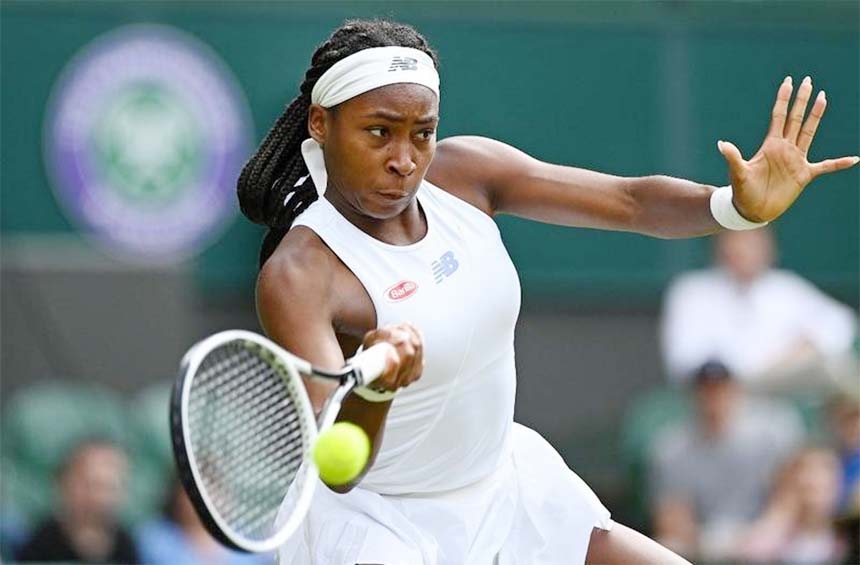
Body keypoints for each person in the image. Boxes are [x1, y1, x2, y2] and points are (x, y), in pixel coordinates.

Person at [235, 19, 858, 564]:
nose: (404, 159)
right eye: (378, 133)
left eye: (420, 133)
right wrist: (375, 387)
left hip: (503, 487)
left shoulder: (465, 173)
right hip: (382, 528)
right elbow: (339, 467)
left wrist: (734, 207)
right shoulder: (300, 276)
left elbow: (629, 202)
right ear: (322, 123)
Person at [660, 227, 857, 387]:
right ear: (721, 245)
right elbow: (684, 361)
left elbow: (840, 324)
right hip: (721, 392)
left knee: (840, 369)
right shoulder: (691, 291)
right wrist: (758, 368)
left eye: (754, 241)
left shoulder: (786, 287)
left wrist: (806, 347)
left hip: (781, 386)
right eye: (739, 240)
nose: (746, 249)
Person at [648, 360, 804, 561]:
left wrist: (764, 534)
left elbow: (788, 498)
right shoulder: (672, 449)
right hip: (702, 543)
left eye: (721, 389)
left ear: (736, 391)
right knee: (667, 546)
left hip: (763, 537)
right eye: (706, 390)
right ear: (693, 396)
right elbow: (672, 517)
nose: (714, 397)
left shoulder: (770, 433)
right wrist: (710, 544)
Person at [16, 438, 140, 564]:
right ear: (64, 483)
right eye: (91, 484)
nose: (100, 497)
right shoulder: (40, 544)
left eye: (111, 487)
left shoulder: (126, 545)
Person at [738, 446, 846, 564]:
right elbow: (751, 552)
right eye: (807, 487)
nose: (814, 479)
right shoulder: (774, 535)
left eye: (825, 486)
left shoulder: (845, 537)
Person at [136, 478, 272, 565]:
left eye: (213, 486)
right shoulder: (155, 539)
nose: (206, 496)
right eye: (193, 488)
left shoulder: (245, 542)